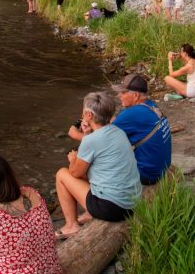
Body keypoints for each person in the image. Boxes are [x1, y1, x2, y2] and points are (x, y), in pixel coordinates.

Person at [55, 92, 142, 239]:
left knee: (62, 174)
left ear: (89, 115)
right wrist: (88, 133)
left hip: (113, 208)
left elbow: (75, 173)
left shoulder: (91, 141)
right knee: (95, 168)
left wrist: (73, 159)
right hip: (132, 202)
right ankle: (89, 213)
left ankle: (71, 226)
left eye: (84, 112)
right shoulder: (118, 131)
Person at [110, 74, 172, 185]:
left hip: (148, 175)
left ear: (135, 95)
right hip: (162, 167)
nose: (119, 95)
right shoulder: (150, 105)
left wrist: (78, 135)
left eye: (123, 92)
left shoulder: (131, 113)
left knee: (100, 159)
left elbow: (102, 138)